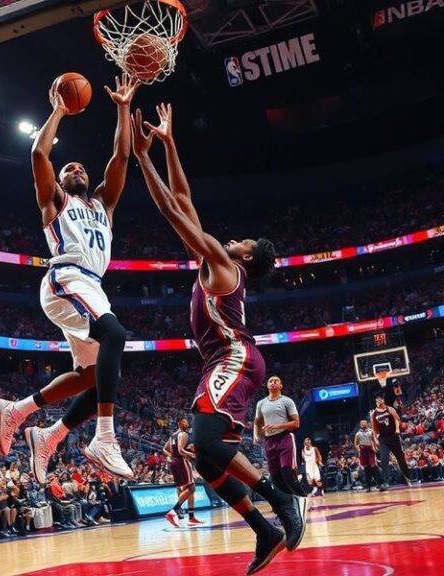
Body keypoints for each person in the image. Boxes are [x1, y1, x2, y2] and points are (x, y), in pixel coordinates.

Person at [131, 103, 307, 575]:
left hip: (234, 356)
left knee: (205, 440)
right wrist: (168, 143)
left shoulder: (224, 266)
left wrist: (140, 155)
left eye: (242, 240)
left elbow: (171, 208)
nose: (233, 238)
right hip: (224, 362)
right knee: (205, 458)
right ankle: (264, 530)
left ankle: (281, 500)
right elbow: (184, 199)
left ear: (246, 258)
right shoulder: (215, 263)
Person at [0, 74, 141, 482]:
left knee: (96, 378)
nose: (75, 168)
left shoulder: (103, 206)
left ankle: (32, 421)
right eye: (68, 167)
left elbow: (121, 159)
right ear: (59, 182)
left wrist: (123, 109)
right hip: (66, 278)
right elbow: (39, 155)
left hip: (91, 286)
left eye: (80, 167)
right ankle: (105, 439)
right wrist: (59, 110)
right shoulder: (55, 201)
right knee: (116, 335)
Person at [255, 377, 309, 497]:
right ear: (267, 386)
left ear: (281, 386)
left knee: (287, 473)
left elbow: (296, 423)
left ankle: (303, 497)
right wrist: (256, 435)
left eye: (276, 380)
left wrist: (278, 426)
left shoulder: (287, 401)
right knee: (275, 477)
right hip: (269, 441)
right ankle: (288, 502)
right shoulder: (261, 403)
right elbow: (257, 422)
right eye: (270, 381)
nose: (273, 382)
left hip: (285, 438)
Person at [162, 416, 202, 527]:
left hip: (174, 463)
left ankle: (191, 517)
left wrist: (171, 456)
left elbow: (164, 449)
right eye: (184, 421)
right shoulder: (183, 434)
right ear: (179, 423)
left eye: (187, 421)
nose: (187, 423)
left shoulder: (173, 435)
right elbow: (180, 450)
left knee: (187, 489)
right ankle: (174, 511)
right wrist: (193, 455)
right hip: (181, 462)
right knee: (191, 488)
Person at [371, 393, 411, 486]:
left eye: (379, 400)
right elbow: (374, 428)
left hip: (393, 436)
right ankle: (385, 482)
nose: (377, 402)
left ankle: (407, 478)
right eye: (376, 401)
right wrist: (375, 439)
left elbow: (397, 419)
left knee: (400, 458)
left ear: (383, 400)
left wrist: (397, 429)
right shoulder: (374, 413)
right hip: (383, 438)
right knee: (384, 459)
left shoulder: (390, 409)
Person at [354, 420, 387, 492]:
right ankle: (368, 486)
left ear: (367, 424)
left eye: (364, 423)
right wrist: (358, 449)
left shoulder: (371, 431)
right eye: (361, 423)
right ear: (360, 425)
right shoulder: (358, 434)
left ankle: (382, 483)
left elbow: (374, 440)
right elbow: (356, 444)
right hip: (363, 450)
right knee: (366, 469)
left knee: (373, 466)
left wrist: (375, 446)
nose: (363, 424)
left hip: (370, 450)